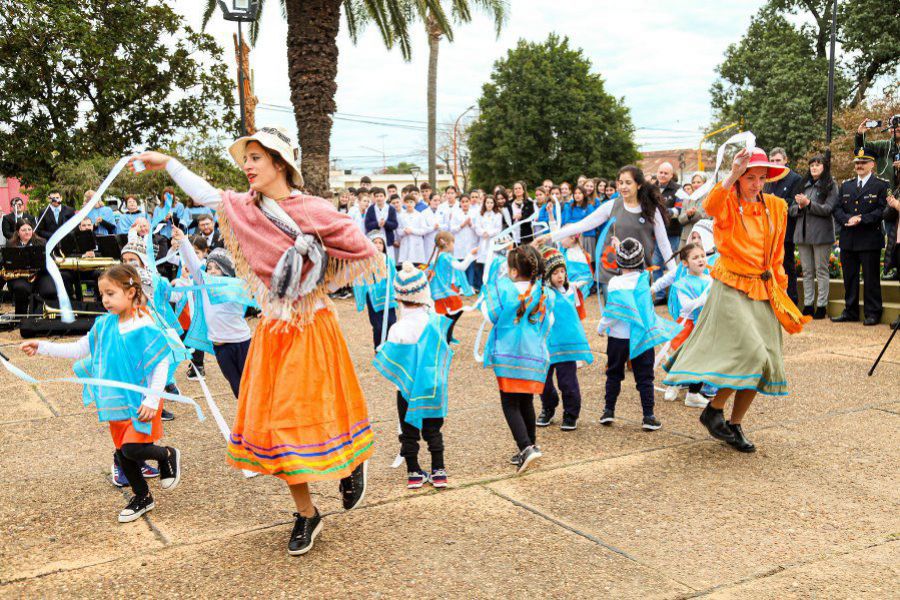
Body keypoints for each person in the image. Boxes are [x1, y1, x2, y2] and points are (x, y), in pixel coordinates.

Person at [134, 127, 379, 556]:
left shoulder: (311, 209)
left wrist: (314, 269)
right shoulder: (244, 210)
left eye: (256, 159)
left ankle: (350, 465)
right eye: (245, 159)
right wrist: (168, 163)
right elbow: (209, 195)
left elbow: (360, 247)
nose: (247, 166)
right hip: (272, 329)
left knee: (324, 409)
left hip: (313, 325)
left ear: (279, 164)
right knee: (278, 426)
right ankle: (306, 513)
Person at [663, 147, 810, 453]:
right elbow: (710, 205)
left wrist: (779, 286)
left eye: (761, 177)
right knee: (751, 353)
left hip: (763, 287)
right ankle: (714, 409)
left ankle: (732, 422)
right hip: (731, 286)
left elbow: (778, 252)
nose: (756, 183)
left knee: (766, 360)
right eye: (750, 177)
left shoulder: (776, 206)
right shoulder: (728, 201)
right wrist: (731, 174)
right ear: (741, 178)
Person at [20, 264, 183, 522]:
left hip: (141, 401)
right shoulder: (103, 325)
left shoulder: (144, 325)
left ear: (130, 292)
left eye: (111, 294)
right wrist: (41, 346)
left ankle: (166, 454)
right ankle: (143, 497)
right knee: (121, 452)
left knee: (132, 448)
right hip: (115, 402)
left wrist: (153, 399)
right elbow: (79, 349)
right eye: (102, 295)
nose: (105, 300)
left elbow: (161, 361)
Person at [539, 165, 676, 301]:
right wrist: (550, 236)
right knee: (613, 317)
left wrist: (675, 271)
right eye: (620, 183)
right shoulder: (612, 205)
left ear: (639, 185)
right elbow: (583, 225)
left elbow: (664, 243)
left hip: (639, 272)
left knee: (638, 318)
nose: (623, 187)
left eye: (628, 183)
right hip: (611, 270)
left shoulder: (652, 210)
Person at [373, 262, 452, 489]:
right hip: (430, 386)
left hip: (406, 390)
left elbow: (391, 359)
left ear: (398, 298)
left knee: (409, 431)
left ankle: (414, 472)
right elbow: (441, 351)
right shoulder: (434, 322)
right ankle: (439, 470)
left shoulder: (398, 328)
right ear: (424, 292)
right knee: (433, 429)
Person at [482, 245, 553, 474]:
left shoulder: (505, 290)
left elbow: (489, 314)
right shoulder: (543, 292)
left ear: (513, 272)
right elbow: (549, 322)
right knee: (526, 400)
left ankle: (525, 448)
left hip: (509, 353)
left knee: (510, 402)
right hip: (533, 354)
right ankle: (531, 444)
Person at [598, 238, 679, 431]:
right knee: (645, 377)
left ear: (618, 262)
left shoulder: (615, 283)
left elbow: (612, 312)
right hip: (642, 336)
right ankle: (648, 416)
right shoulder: (644, 280)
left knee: (614, 374)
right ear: (641, 261)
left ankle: (608, 411)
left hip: (618, 337)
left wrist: (601, 327)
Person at [171, 227, 255, 398]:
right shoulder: (204, 285)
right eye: (209, 267)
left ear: (227, 271)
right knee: (236, 386)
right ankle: (246, 419)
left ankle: (256, 419)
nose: (212, 270)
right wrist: (183, 241)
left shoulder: (237, 285)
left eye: (217, 267)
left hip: (242, 342)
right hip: (220, 347)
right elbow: (193, 264)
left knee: (252, 384)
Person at [536, 247, 592, 431]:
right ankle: (548, 406)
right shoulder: (541, 292)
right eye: (555, 272)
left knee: (567, 380)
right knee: (543, 380)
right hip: (545, 344)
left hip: (566, 344)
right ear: (546, 274)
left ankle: (571, 412)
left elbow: (574, 316)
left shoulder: (569, 290)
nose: (560, 276)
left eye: (562, 271)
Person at [831, 147, 889, 326]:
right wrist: (848, 219)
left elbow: (883, 211)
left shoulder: (881, 185)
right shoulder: (846, 185)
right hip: (849, 238)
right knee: (849, 277)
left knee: (871, 279)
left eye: (863, 162)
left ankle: (873, 313)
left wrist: (862, 219)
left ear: (872, 164)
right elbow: (837, 208)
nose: (859, 165)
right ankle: (850, 311)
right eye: (857, 163)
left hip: (869, 238)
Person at [657, 243, 713, 407]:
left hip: (704, 325)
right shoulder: (683, 283)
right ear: (685, 263)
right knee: (682, 358)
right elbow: (686, 306)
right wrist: (702, 300)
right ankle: (674, 383)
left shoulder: (710, 280)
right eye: (695, 257)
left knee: (701, 361)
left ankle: (693, 393)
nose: (700, 260)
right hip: (689, 326)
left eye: (702, 256)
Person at [791, 154, 839, 319]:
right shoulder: (803, 184)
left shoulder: (831, 185)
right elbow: (790, 209)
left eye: (818, 165)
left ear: (824, 167)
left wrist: (809, 204)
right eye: (812, 165)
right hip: (802, 234)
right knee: (807, 271)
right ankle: (809, 305)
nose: (814, 168)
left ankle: (821, 306)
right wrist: (798, 206)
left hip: (821, 235)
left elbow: (828, 209)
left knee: (821, 270)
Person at [764, 148, 804, 304]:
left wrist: (777, 202)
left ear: (786, 160)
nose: (775, 163)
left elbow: (794, 203)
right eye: (772, 161)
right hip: (768, 230)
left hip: (786, 230)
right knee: (770, 266)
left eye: (778, 160)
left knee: (788, 265)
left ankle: (792, 300)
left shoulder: (795, 179)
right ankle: (773, 298)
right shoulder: (767, 179)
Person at [427, 231, 476, 343]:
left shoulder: (437, 256)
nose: (454, 245)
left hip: (438, 292)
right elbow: (461, 266)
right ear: (447, 244)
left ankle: (445, 337)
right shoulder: (446, 257)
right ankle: (445, 340)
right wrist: (471, 255)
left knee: (447, 316)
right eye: (453, 243)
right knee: (453, 313)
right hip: (445, 292)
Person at [353, 231, 398, 351]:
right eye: (375, 242)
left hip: (388, 296)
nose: (378, 245)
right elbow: (359, 279)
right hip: (373, 297)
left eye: (380, 243)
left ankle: (389, 351)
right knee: (378, 326)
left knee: (391, 323)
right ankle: (378, 349)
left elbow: (395, 277)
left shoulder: (389, 260)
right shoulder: (365, 261)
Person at [474, 194, 503, 292]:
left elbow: (498, 229)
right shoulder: (480, 214)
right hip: (482, 240)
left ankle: (491, 285)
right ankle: (481, 285)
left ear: (494, 204)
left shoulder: (498, 215)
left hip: (492, 241)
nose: (489, 205)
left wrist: (489, 233)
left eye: (491, 202)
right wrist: (483, 233)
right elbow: (477, 226)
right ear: (484, 203)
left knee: (491, 263)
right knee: (482, 263)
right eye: (487, 202)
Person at [450, 194, 479, 287]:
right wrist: (462, 225)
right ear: (460, 203)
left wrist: (470, 224)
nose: (465, 204)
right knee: (460, 263)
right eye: (463, 202)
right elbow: (452, 229)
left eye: (467, 201)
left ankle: (470, 285)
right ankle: (461, 285)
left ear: (470, 202)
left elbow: (478, 229)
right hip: (459, 243)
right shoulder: (455, 213)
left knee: (470, 263)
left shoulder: (475, 213)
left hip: (471, 242)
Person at [365, 186, 399, 261]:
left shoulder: (391, 209)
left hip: (388, 241)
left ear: (385, 197)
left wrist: (386, 223)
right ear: (374, 198)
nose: (379, 198)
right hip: (374, 241)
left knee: (389, 261)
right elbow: (367, 225)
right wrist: (377, 224)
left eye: (381, 196)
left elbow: (395, 224)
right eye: (377, 196)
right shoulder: (371, 209)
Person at [395, 193, 429, 266]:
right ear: (404, 203)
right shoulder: (401, 216)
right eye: (407, 202)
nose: (409, 204)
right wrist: (404, 231)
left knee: (416, 268)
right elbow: (398, 231)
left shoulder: (419, 215)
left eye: (411, 202)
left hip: (416, 245)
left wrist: (412, 230)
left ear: (415, 203)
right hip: (405, 244)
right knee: (405, 268)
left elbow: (424, 230)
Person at [678, 173, 709, 245]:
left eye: (698, 182)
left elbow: (707, 217)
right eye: (693, 182)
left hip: (702, 236)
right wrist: (688, 215)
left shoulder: (709, 197)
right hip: (686, 237)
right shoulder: (687, 198)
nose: (695, 184)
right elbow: (680, 219)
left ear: (704, 183)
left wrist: (694, 213)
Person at [420, 192, 442, 260]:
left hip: (441, 240)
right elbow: (423, 228)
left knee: (439, 260)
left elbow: (447, 226)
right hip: (428, 241)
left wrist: (439, 226)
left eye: (438, 200)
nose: (437, 202)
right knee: (429, 260)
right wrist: (433, 228)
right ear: (430, 201)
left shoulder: (443, 212)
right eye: (435, 200)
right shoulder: (424, 213)